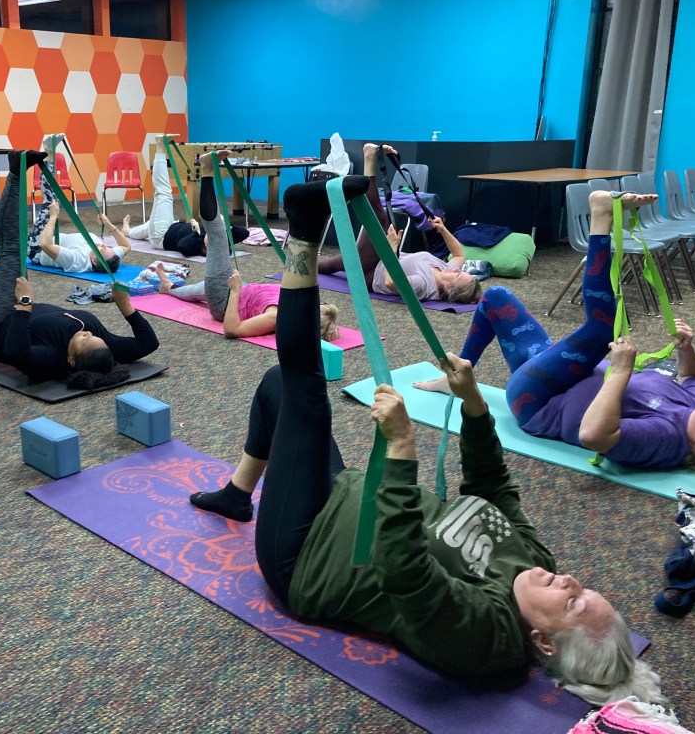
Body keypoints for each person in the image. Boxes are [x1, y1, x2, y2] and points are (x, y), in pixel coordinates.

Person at [190, 176, 665, 705]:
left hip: (307, 551)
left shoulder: (485, 636)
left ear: (543, 643)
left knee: (303, 389)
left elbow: (404, 567)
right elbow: (493, 488)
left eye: (573, 603)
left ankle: (303, 228)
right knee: (281, 385)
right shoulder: (539, 567)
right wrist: (474, 404)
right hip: (348, 496)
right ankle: (238, 493)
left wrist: (400, 449)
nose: (570, 582)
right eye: (586, 589)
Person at [413, 190, 695, 473]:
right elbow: (692, 377)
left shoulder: (666, 439)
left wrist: (619, 372)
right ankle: (455, 379)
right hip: (564, 372)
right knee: (495, 298)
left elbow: (595, 435)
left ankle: (601, 218)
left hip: (540, 400)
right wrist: (686, 349)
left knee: (602, 330)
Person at [0, 151, 159, 390]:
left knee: (12, 249)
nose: (89, 334)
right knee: (15, 250)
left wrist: (24, 303)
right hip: (26, 310)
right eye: (95, 337)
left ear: (71, 360)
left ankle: (15, 173)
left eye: (84, 341)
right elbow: (148, 344)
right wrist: (126, 307)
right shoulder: (101, 345)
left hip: (0, 324)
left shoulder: (51, 359)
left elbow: (15, 353)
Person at [155, 150, 340, 341]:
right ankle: (168, 287)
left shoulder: (276, 316)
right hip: (243, 289)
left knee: (218, 235)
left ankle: (207, 169)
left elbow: (232, 329)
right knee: (196, 290)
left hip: (226, 300)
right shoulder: (306, 304)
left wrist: (235, 291)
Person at [317, 143, 482, 305]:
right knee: (331, 265)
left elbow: (391, 283)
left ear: (448, 289)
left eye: (457, 276)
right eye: (460, 271)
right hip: (380, 259)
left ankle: (369, 159)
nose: (456, 269)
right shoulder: (445, 269)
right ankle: (307, 264)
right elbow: (459, 255)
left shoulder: (424, 285)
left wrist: (391, 248)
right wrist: (443, 230)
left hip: (372, 272)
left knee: (378, 219)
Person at [120, 136, 250, 258]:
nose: (213, 237)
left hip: (161, 235)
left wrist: (200, 233)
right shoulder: (220, 238)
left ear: (206, 247)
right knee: (148, 226)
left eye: (210, 242)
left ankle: (160, 145)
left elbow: (182, 246)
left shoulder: (195, 245)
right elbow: (244, 233)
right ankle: (127, 231)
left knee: (164, 193)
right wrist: (224, 227)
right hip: (172, 224)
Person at [28, 198, 129, 275]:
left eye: (102, 250)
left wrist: (53, 216)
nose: (103, 245)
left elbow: (44, 244)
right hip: (53, 237)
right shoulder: (110, 256)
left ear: (94, 261)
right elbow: (126, 246)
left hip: (38, 250)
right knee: (51, 195)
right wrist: (108, 225)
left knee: (49, 199)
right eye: (107, 247)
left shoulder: (77, 260)